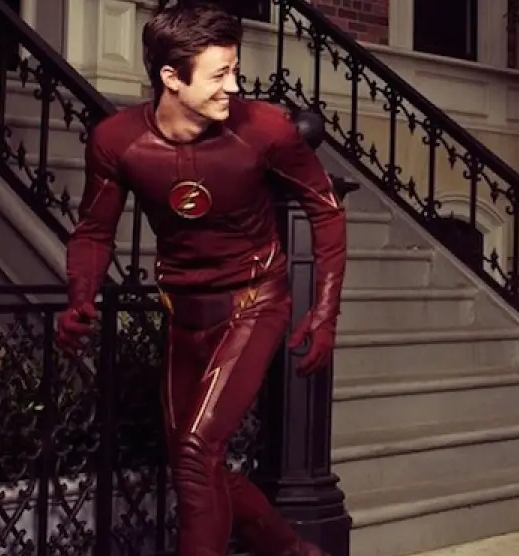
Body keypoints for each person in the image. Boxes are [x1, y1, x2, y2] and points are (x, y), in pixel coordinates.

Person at [53, 3, 345, 556]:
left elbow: (326, 210)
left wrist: (325, 311)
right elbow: (92, 231)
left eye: (234, 70)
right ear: (171, 77)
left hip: (255, 302)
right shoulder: (117, 141)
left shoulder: (265, 130)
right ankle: (294, 551)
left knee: (194, 452)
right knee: (197, 464)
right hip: (183, 312)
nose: (233, 86)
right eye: (219, 74)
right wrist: (79, 298)